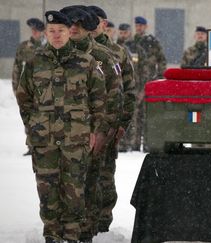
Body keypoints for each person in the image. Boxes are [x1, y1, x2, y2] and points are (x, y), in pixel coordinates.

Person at [15, 10, 107, 243]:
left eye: (61, 31)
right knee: (47, 190)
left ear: (69, 33)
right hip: (44, 140)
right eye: (52, 31)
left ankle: (72, 235)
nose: (56, 35)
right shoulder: (35, 61)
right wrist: (33, 125)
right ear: (46, 33)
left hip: (76, 140)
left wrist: (94, 132)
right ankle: (52, 234)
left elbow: (98, 100)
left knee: (74, 188)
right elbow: (24, 98)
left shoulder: (85, 62)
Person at [59, 6, 123, 242]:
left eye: (77, 25)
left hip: (92, 134)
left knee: (91, 184)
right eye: (69, 25)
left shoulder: (105, 57)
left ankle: (89, 230)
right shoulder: (55, 55)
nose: (72, 29)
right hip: (59, 134)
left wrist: (104, 133)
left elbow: (115, 99)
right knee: (60, 186)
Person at [88, 4, 136, 235]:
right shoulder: (79, 50)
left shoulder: (117, 52)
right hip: (80, 128)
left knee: (104, 177)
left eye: (94, 21)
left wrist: (122, 125)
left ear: (104, 24)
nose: (89, 25)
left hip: (108, 128)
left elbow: (129, 91)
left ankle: (103, 223)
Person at [125, 16, 166, 152]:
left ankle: (148, 143)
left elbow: (162, 61)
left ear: (146, 27)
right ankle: (134, 143)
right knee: (135, 115)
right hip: (134, 83)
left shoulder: (152, 42)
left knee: (149, 115)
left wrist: (159, 77)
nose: (139, 28)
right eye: (137, 25)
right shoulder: (130, 43)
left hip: (149, 82)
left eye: (141, 25)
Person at [12, 17, 45, 156]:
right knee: (29, 118)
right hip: (28, 90)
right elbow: (17, 70)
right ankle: (32, 145)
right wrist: (17, 90)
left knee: (45, 118)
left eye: (37, 30)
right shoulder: (24, 47)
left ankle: (43, 146)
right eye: (33, 30)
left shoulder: (48, 48)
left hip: (44, 90)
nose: (35, 32)